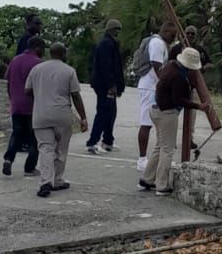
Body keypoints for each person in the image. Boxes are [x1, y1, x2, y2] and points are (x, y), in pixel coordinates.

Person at [25, 41, 86, 200]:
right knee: (61, 150)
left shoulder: (36, 69)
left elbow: (27, 90)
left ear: (49, 53)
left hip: (40, 114)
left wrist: (40, 98)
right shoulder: (69, 71)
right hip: (62, 114)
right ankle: (57, 180)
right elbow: (76, 95)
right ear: (64, 53)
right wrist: (83, 117)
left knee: (45, 148)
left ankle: (46, 182)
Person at [141, 47, 201, 194]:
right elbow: (178, 99)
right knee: (167, 149)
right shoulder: (179, 77)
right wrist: (199, 106)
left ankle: (147, 178)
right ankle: (161, 185)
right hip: (167, 113)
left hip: (155, 109)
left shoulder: (170, 66)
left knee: (159, 146)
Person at [2, 35, 44, 178]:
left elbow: (8, 82)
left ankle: (8, 159)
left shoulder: (15, 60)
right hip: (32, 106)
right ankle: (29, 168)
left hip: (16, 105)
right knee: (34, 137)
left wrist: (12, 98)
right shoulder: (38, 63)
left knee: (16, 133)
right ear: (37, 47)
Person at [131, 19, 168, 177]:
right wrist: (164, 83)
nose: (174, 38)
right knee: (145, 123)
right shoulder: (157, 43)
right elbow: (156, 64)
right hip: (150, 86)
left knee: (158, 123)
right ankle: (142, 159)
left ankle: (157, 157)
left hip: (152, 86)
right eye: (172, 34)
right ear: (165, 31)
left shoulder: (158, 42)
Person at [86, 19, 125, 154]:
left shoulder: (111, 43)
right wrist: (111, 85)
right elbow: (106, 66)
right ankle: (92, 142)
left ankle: (108, 141)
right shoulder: (106, 44)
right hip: (104, 85)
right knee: (103, 112)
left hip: (107, 84)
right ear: (109, 30)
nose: (118, 32)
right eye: (116, 29)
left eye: (119, 29)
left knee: (111, 112)